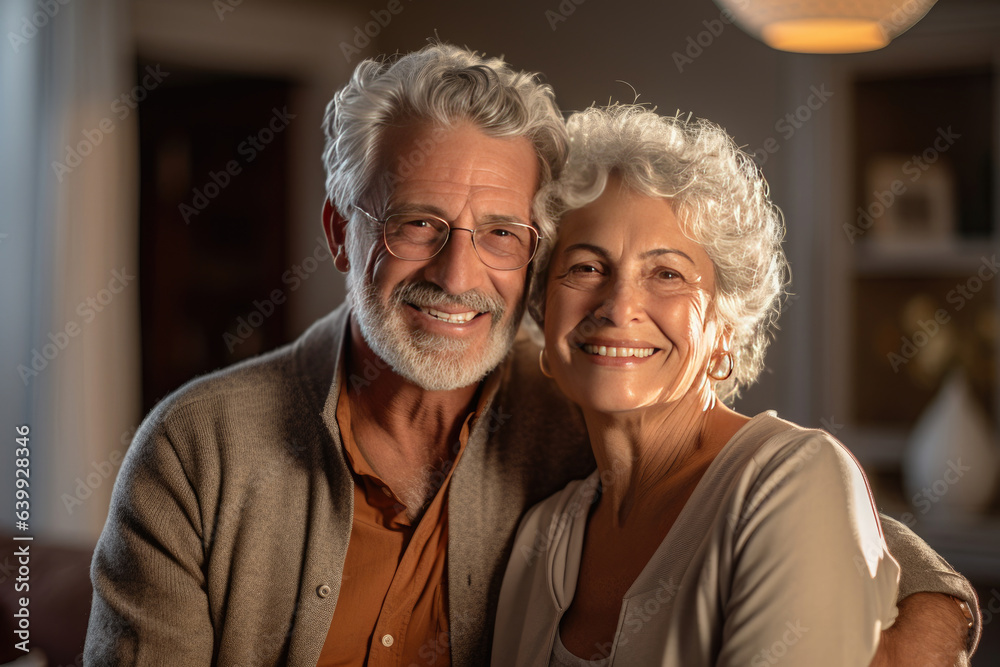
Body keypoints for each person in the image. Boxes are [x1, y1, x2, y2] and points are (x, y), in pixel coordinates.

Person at [85, 45, 979, 666]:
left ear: (528, 260)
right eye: (417, 223)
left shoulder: (579, 411)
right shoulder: (197, 449)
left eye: (501, 232)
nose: (456, 271)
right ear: (341, 233)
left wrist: (930, 620)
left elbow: (815, 514)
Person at [491, 104, 979, 666]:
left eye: (667, 274)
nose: (619, 306)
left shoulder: (792, 477)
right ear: (542, 312)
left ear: (725, 328)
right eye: (585, 267)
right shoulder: (539, 535)